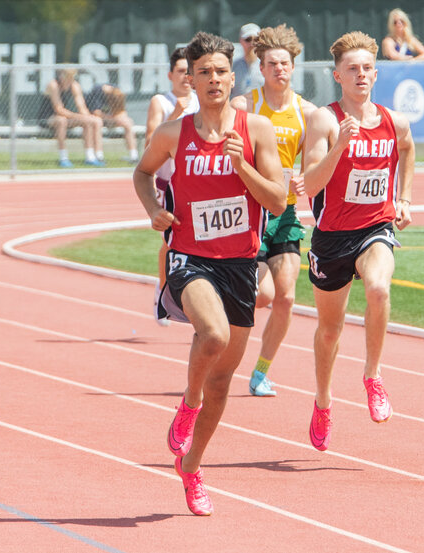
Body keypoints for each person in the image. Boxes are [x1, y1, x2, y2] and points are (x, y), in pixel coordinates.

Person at [135, 31, 285, 516]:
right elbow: (142, 173)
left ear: (231, 75)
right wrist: (154, 208)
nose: (214, 78)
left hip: (241, 264)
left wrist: (243, 167)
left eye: (221, 70)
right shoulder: (174, 134)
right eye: (204, 72)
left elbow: (279, 202)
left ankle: (192, 467)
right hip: (189, 257)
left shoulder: (256, 130)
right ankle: (188, 399)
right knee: (213, 336)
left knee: (225, 380)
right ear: (192, 80)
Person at [302, 31, 414, 451]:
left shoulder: (392, 121)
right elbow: (310, 185)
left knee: (379, 287)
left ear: (376, 72)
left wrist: (403, 198)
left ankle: (372, 375)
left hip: (375, 229)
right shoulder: (324, 120)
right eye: (352, 68)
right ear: (337, 76)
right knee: (330, 332)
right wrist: (339, 147)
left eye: (367, 68)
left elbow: (407, 150)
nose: (361, 74)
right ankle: (324, 401)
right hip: (331, 238)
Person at [231, 24, 317, 397]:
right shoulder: (246, 105)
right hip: (250, 211)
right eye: (272, 64)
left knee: (285, 297)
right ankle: (218, 327)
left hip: (285, 213)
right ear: (261, 69)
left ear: (293, 67)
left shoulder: (307, 112)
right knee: (262, 296)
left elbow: (314, 162)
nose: (279, 69)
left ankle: (260, 371)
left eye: (285, 63)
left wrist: (304, 177)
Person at [144, 46, 199, 323]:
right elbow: (150, 143)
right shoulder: (162, 101)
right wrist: (176, 113)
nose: (185, 77)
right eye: (180, 72)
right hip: (169, 184)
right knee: (170, 240)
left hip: (198, 183)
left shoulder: (202, 101)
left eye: (188, 72)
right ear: (170, 74)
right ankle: (163, 290)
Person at [38, 68, 105, 168]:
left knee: (92, 121)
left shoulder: (74, 85)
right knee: (61, 121)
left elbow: (81, 106)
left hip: (66, 117)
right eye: (67, 77)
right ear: (61, 76)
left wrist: (87, 117)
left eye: (72, 77)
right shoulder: (54, 85)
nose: (70, 80)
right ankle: (63, 157)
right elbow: (59, 109)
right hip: (48, 118)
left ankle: (91, 157)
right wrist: (79, 117)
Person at [85, 83, 138, 162]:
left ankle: (134, 156)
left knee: (128, 122)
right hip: (99, 118)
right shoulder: (97, 91)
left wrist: (119, 118)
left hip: (112, 118)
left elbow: (122, 112)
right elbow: (96, 112)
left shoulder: (117, 91)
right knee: (98, 122)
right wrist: (111, 118)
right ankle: (99, 155)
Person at [230, 23, 263, 97]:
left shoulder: (267, 66)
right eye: (248, 39)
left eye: (255, 40)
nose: (252, 44)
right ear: (241, 41)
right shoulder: (233, 67)